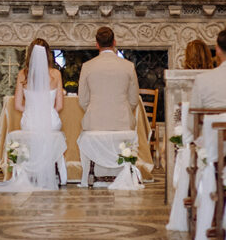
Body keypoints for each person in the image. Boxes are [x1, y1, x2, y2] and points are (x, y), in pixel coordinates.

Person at [9, 38, 67, 189]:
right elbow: (59, 106)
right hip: (51, 122)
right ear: (49, 55)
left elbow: (17, 105)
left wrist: (30, 111)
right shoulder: (56, 74)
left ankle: (28, 171)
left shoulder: (23, 74)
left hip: (30, 122)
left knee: (29, 128)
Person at [78, 26, 139, 131]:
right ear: (114, 42)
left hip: (94, 123)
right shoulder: (129, 66)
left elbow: (83, 100)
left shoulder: (87, 66)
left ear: (97, 45)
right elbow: (134, 99)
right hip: (123, 123)